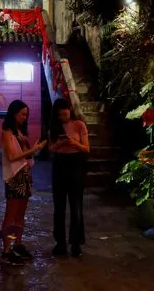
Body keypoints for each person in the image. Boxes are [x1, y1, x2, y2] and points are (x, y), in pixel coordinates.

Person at [0, 100, 46, 265]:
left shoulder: (19, 132)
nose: (25, 118)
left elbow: (25, 156)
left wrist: (31, 146)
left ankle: (17, 244)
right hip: (14, 177)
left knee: (20, 214)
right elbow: (12, 157)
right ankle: (6, 250)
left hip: (25, 175)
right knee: (10, 215)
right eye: (23, 114)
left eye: (26, 115)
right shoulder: (7, 132)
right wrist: (32, 150)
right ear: (13, 113)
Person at [49, 98, 89, 257]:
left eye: (64, 113)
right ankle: (60, 243)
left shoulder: (79, 125)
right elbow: (50, 149)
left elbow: (86, 148)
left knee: (76, 206)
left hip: (76, 165)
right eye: (59, 115)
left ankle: (76, 244)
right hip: (59, 165)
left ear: (70, 110)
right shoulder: (54, 126)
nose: (62, 117)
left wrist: (73, 142)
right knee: (59, 207)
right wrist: (58, 145)